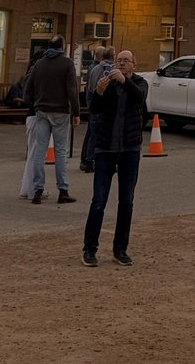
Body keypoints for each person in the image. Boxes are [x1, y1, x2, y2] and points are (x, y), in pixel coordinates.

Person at [82, 49, 148, 266]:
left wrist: (124, 82)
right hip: (105, 148)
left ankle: (120, 249)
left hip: (129, 149)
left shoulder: (139, 83)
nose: (121, 64)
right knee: (98, 201)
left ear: (134, 65)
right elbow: (95, 111)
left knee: (126, 202)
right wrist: (99, 92)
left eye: (125, 61)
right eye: (118, 61)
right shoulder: (107, 83)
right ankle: (90, 249)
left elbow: (139, 99)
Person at [19, 36, 79, 205]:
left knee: (39, 149)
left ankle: (37, 189)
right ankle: (63, 190)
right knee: (60, 151)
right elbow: (72, 90)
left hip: (42, 111)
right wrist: (76, 112)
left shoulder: (39, 64)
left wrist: (35, 103)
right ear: (62, 47)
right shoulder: (67, 64)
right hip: (60, 111)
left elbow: (27, 88)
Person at [80, 44, 118, 173]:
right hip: (108, 109)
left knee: (93, 135)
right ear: (113, 56)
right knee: (109, 136)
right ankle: (108, 162)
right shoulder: (114, 70)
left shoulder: (94, 69)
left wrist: (90, 104)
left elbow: (89, 88)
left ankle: (89, 161)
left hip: (94, 107)